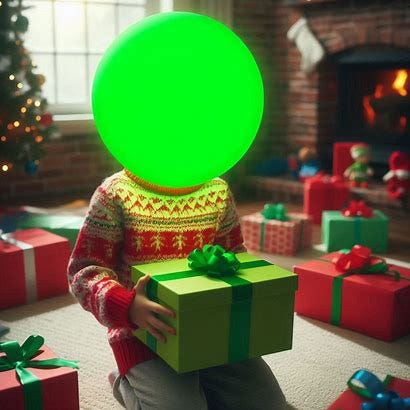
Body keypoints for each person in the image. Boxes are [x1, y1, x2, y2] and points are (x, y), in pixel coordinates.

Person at [67, 169, 287, 410]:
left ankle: (195, 388)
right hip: (145, 335)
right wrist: (127, 306)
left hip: (212, 330)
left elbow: (234, 255)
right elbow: (84, 271)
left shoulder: (218, 191)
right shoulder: (114, 193)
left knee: (270, 404)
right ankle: (124, 382)